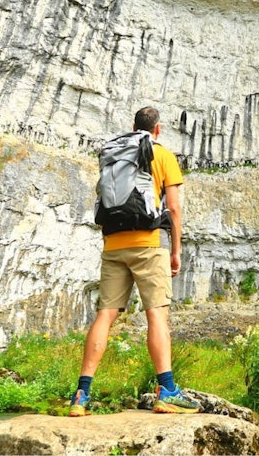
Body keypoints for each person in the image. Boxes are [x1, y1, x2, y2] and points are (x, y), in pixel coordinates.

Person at [70, 107, 200, 416]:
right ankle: (167, 391)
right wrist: (176, 250)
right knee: (157, 315)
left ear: (133, 127)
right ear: (158, 129)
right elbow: (175, 209)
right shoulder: (162, 154)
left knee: (105, 316)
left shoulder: (116, 152)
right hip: (148, 243)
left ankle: (80, 395)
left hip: (114, 243)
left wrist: (109, 242)